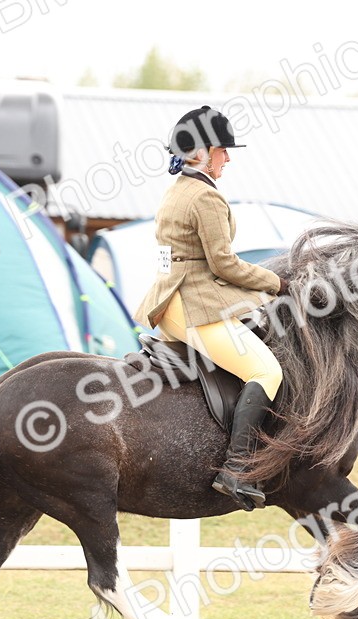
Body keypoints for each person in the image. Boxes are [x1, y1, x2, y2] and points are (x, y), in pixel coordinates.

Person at [133, 105, 290, 511]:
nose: (228, 157)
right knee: (265, 369)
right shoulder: (204, 196)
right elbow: (223, 263)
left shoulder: (177, 190)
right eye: (223, 149)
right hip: (194, 303)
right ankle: (236, 470)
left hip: (170, 299)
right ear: (202, 151)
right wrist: (278, 283)